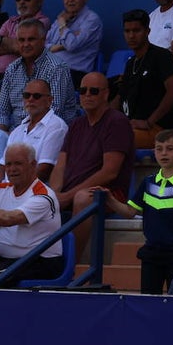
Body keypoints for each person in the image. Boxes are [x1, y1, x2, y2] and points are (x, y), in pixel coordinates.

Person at [99, 129, 173, 294]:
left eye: (170, 148)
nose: (163, 153)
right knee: (148, 299)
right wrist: (110, 199)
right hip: (152, 252)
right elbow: (130, 212)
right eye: (159, 148)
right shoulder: (148, 182)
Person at [50, 72, 134, 257]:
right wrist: (55, 193)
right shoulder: (76, 125)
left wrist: (68, 196)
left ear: (106, 94)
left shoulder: (117, 122)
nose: (87, 95)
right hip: (70, 191)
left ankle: (70, 263)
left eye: (94, 91)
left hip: (108, 194)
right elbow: (60, 165)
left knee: (82, 198)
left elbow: (109, 172)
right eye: (83, 90)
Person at [0, 142, 64, 286]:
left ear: (33, 165)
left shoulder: (43, 195)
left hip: (39, 262)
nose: (12, 169)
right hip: (4, 259)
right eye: (8, 164)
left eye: (18, 164)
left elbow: (9, 219)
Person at [110, 9, 173, 149]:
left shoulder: (162, 56)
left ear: (147, 31)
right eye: (127, 31)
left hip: (158, 130)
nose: (131, 36)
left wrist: (149, 122)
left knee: (115, 141)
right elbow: (119, 98)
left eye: (136, 31)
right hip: (131, 128)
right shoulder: (131, 64)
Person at [0, 19, 78, 131]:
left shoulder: (57, 68)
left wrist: (22, 136)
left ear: (43, 40)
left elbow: (54, 112)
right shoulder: (12, 69)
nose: (26, 44)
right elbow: (2, 112)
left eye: (31, 39)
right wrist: (1, 136)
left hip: (49, 131)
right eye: (21, 40)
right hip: (16, 133)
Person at [5, 79, 70, 180]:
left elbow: (45, 169)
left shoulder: (56, 127)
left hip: (34, 190)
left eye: (36, 96)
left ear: (49, 101)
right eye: (27, 95)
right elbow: (2, 166)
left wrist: (16, 190)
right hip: (8, 189)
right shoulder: (17, 131)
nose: (30, 99)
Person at [0, 0, 51, 80]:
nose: (22, 2)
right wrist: (13, 45)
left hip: (19, 77)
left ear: (40, 1)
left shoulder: (42, 22)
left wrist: (1, 40)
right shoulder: (10, 21)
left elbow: (23, 48)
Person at [46, 0, 103, 86]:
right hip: (53, 71)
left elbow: (72, 45)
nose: (70, 0)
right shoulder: (62, 17)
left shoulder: (92, 19)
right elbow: (44, 46)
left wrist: (62, 25)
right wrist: (61, 45)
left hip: (76, 74)